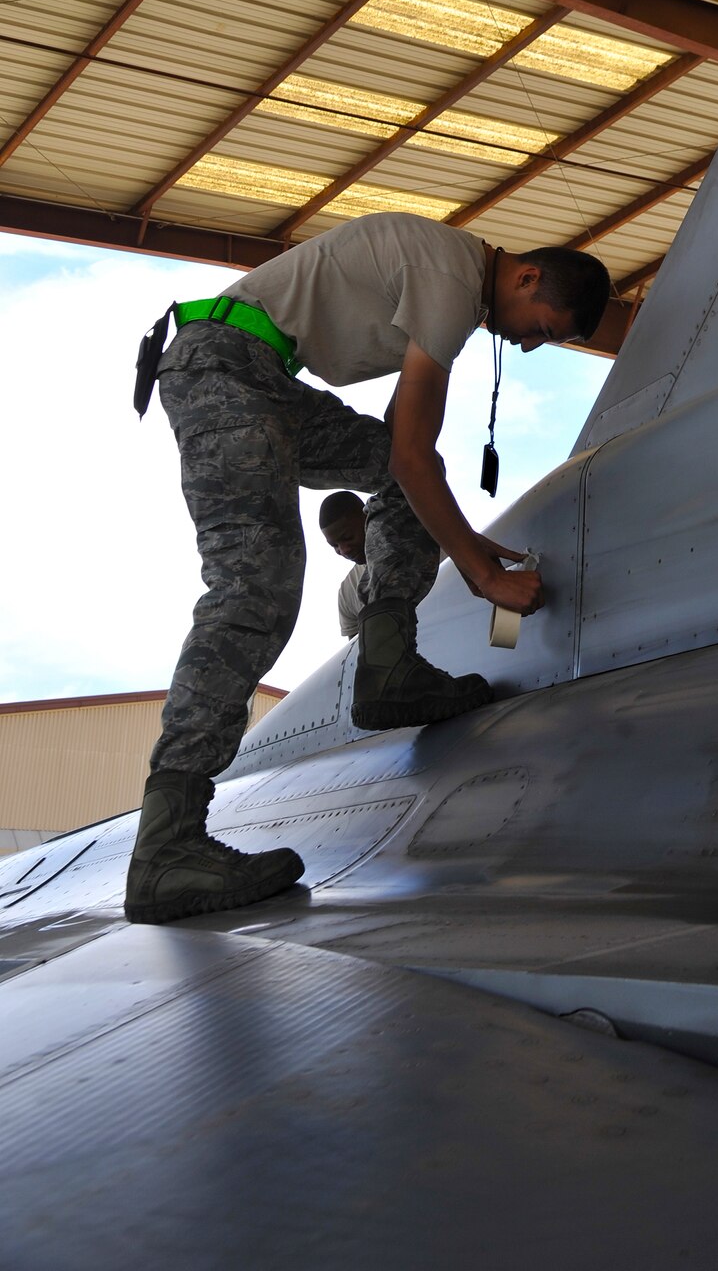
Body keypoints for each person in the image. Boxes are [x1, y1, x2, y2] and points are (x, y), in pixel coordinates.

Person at [125, 215, 610, 925]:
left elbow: (408, 463)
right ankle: (167, 846)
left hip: (255, 371)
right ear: (528, 277)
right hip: (224, 368)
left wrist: (468, 539)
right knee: (253, 584)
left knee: (393, 472)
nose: (529, 343)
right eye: (541, 327)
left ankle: (388, 668)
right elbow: (416, 455)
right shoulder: (451, 283)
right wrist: (482, 575)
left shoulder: (453, 281)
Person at [320, 489, 370, 637]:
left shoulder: (423, 547)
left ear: (367, 518)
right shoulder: (347, 593)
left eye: (347, 537)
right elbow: (356, 653)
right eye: (334, 545)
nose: (344, 550)